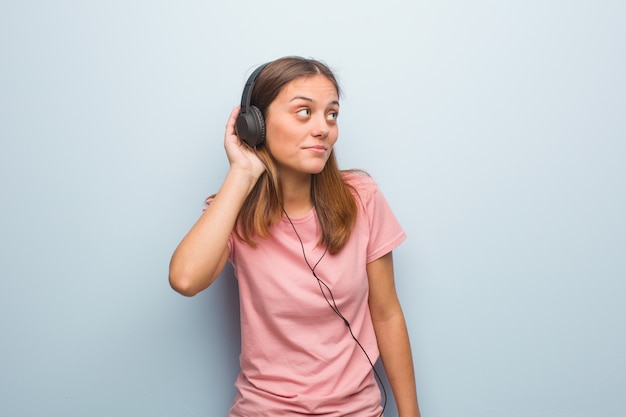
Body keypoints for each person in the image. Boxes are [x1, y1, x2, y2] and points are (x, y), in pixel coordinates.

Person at [169, 56, 421, 417]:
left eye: (331, 114)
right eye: (304, 112)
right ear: (255, 125)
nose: (323, 128)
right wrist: (242, 173)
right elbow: (185, 279)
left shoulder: (362, 198)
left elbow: (386, 313)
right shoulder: (231, 212)